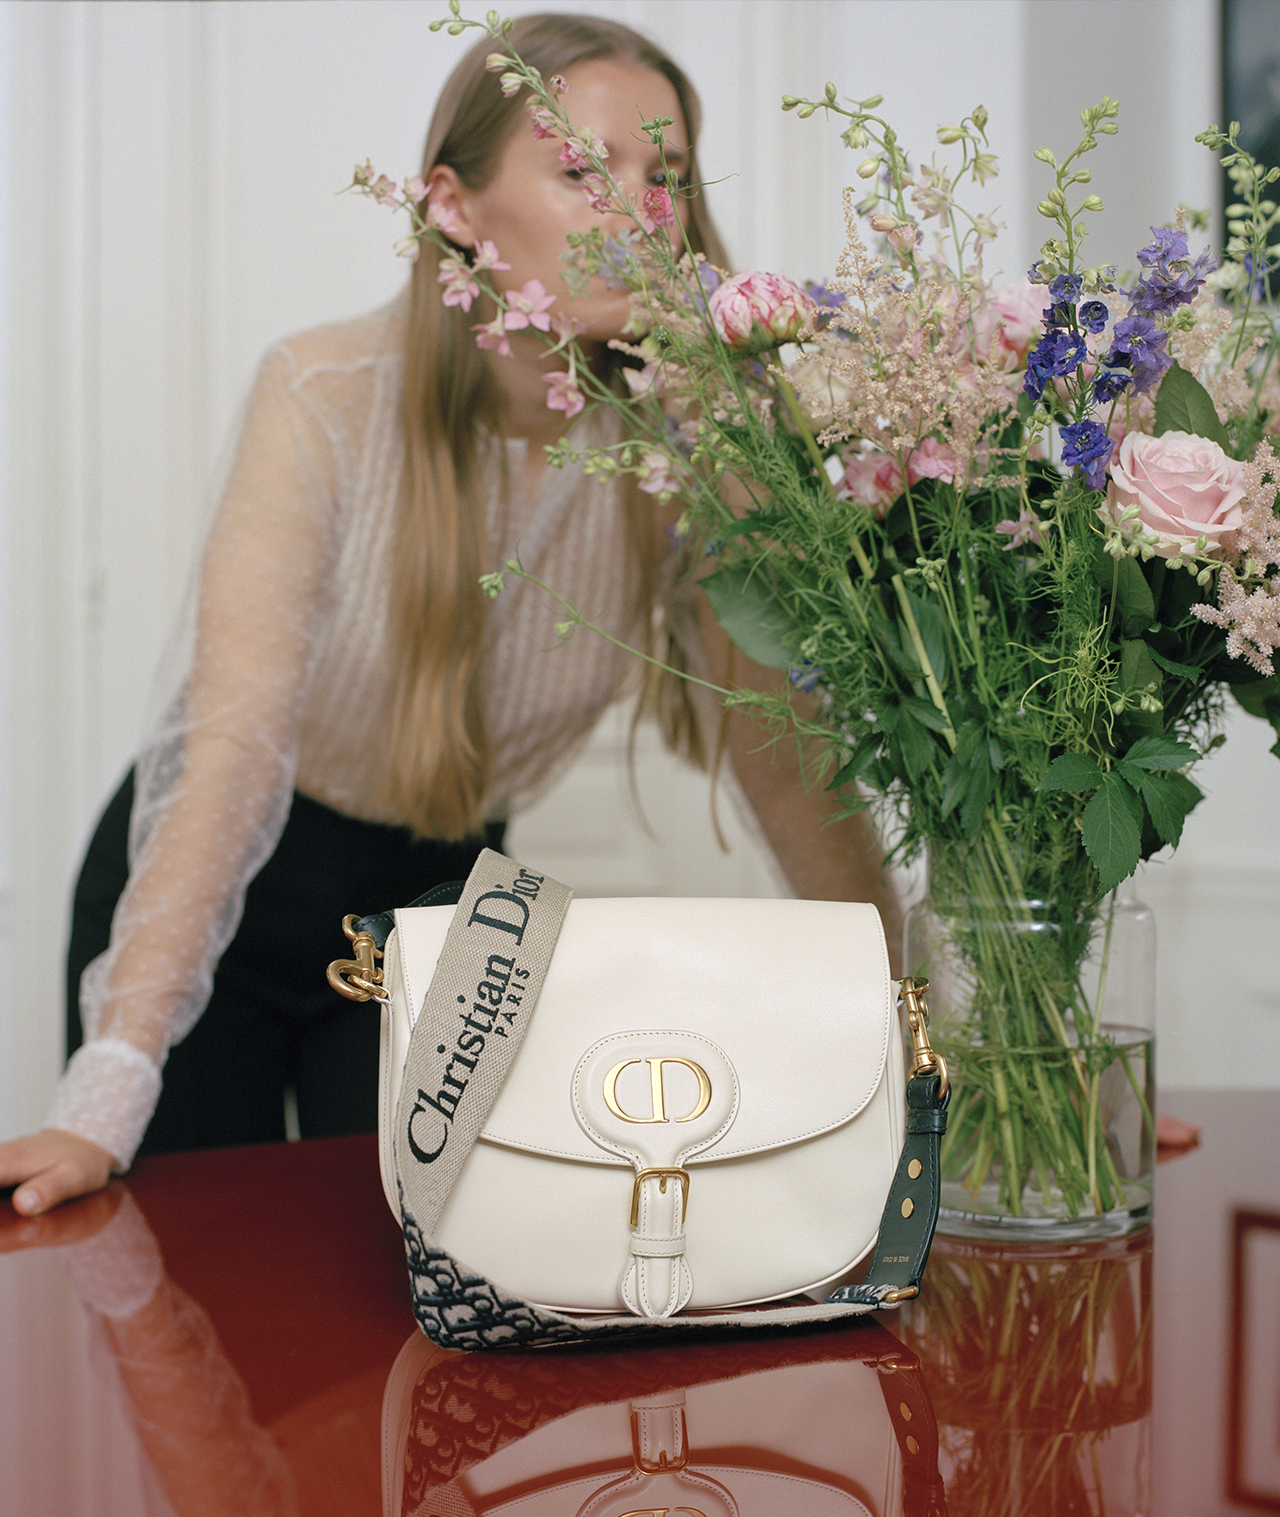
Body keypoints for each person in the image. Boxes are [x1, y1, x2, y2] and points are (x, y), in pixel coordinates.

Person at [1, 12, 899, 1220]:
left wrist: (926, 1032)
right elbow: (232, 752)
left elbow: (783, 753)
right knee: (188, 1285)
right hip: (228, 897)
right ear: (453, 205)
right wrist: (106, 1090)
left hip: (443, 912)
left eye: (666, 175)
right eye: (581, 168)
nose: (639, 212)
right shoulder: (322, 397)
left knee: (414, 1296)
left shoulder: (695, 441)